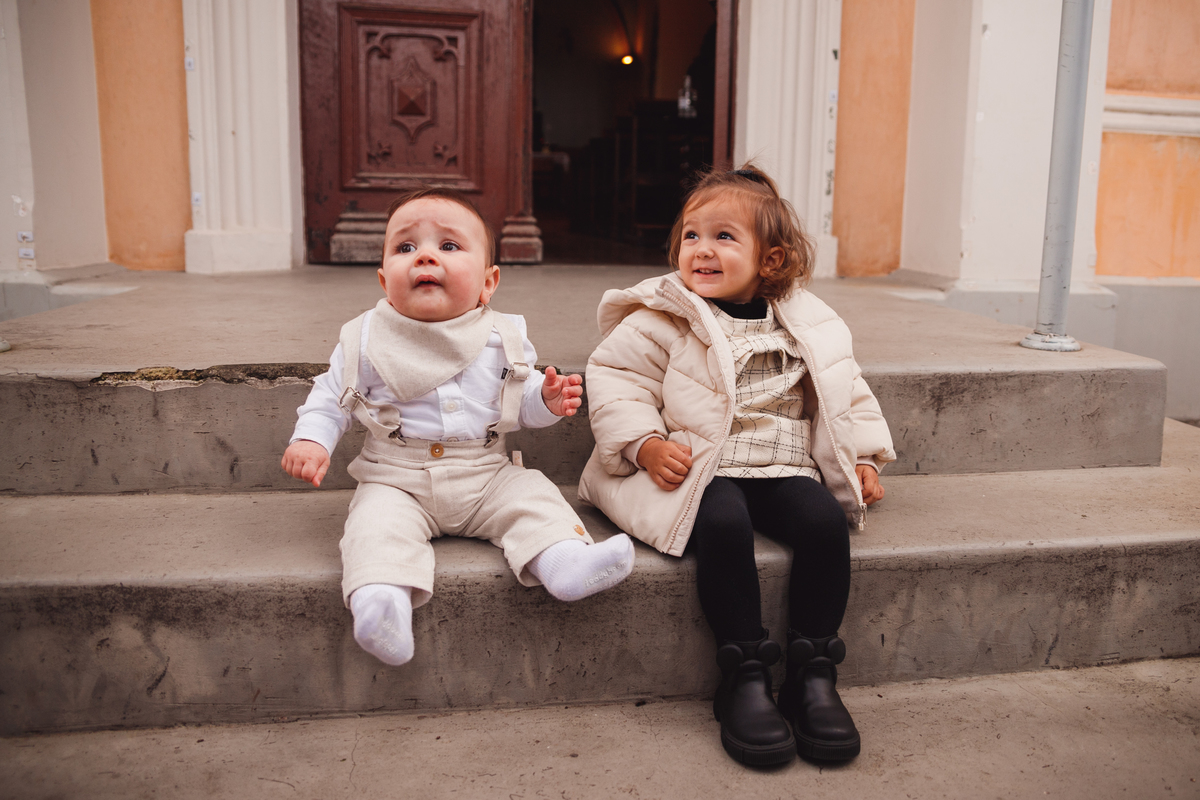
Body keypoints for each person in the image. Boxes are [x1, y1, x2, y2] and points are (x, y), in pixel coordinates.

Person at [579, 165, 895, 766]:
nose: (701, 249)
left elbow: (843, 389)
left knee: (825, 526)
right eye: (691, 235)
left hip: (782, 461)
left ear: (770, 261)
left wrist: (861, 458)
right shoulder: (661, 318)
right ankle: (744, 672)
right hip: (702, 464)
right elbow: (618, 382)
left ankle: (813, 672)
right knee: (722, 527)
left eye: (724, 237)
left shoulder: (808, 323)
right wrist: (644, 444)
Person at [282, 187, 634, 667]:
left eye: (449, 246)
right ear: (385, 280)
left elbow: (520, 404)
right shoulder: (364, 340)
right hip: (396, 477)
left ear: (488, 282)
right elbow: (331, 396)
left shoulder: (502, 339)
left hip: (485, 472)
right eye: (406, 247)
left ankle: (565, 561)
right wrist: (312, 439)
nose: (425, 255)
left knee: (531, 495)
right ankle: (381, 602)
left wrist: (546, 401)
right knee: (373, 525)